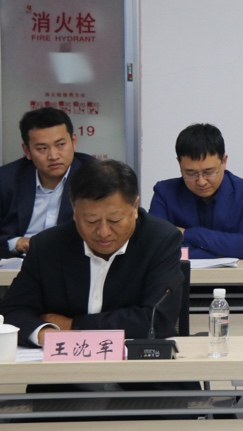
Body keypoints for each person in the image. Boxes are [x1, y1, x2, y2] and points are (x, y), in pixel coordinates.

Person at [0, 159, 184, 347]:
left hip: (136, 362)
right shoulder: (47, 246)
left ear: (135, 207)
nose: (103, 232)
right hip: (62, 361)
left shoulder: (160, 240)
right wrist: (45, 333)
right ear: (74, 210)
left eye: (114, 220)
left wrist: (74, 326)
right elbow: (12, 311)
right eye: (91, 221)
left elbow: (157, 319)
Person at [150, 123, 243, 259]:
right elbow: (156, 248)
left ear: (224, 161)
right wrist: (218, 252)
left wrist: (187, 234)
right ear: (179, 164)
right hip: (179, 273)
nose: (201, 182)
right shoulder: (165, 193)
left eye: (208, 172)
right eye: (191, 173)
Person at [0, 107, 94, 258]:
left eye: (60, 145)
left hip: (72, 263)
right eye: (42, 148)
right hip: (16, 265)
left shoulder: (93, 177)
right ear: (27, 151)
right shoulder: (6, 180)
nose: (53, 156)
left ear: (73, 142)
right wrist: (17, 243)